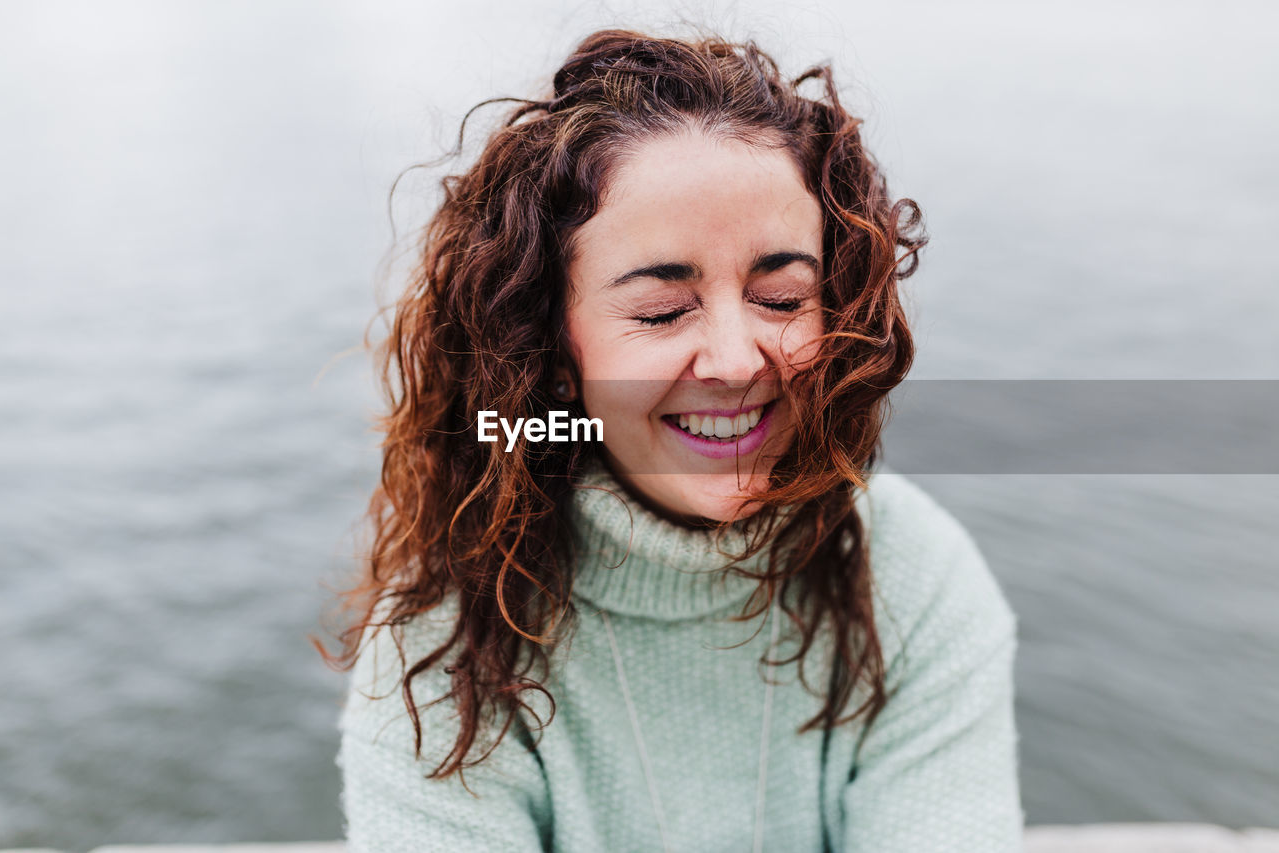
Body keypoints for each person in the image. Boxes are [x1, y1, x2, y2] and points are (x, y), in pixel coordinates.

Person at [324, 26, 1023, 853]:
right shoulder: (441, 636)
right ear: (549, 347)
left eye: (781, 297)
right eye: (662, 311)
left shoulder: (917, 579)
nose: (734, 360)